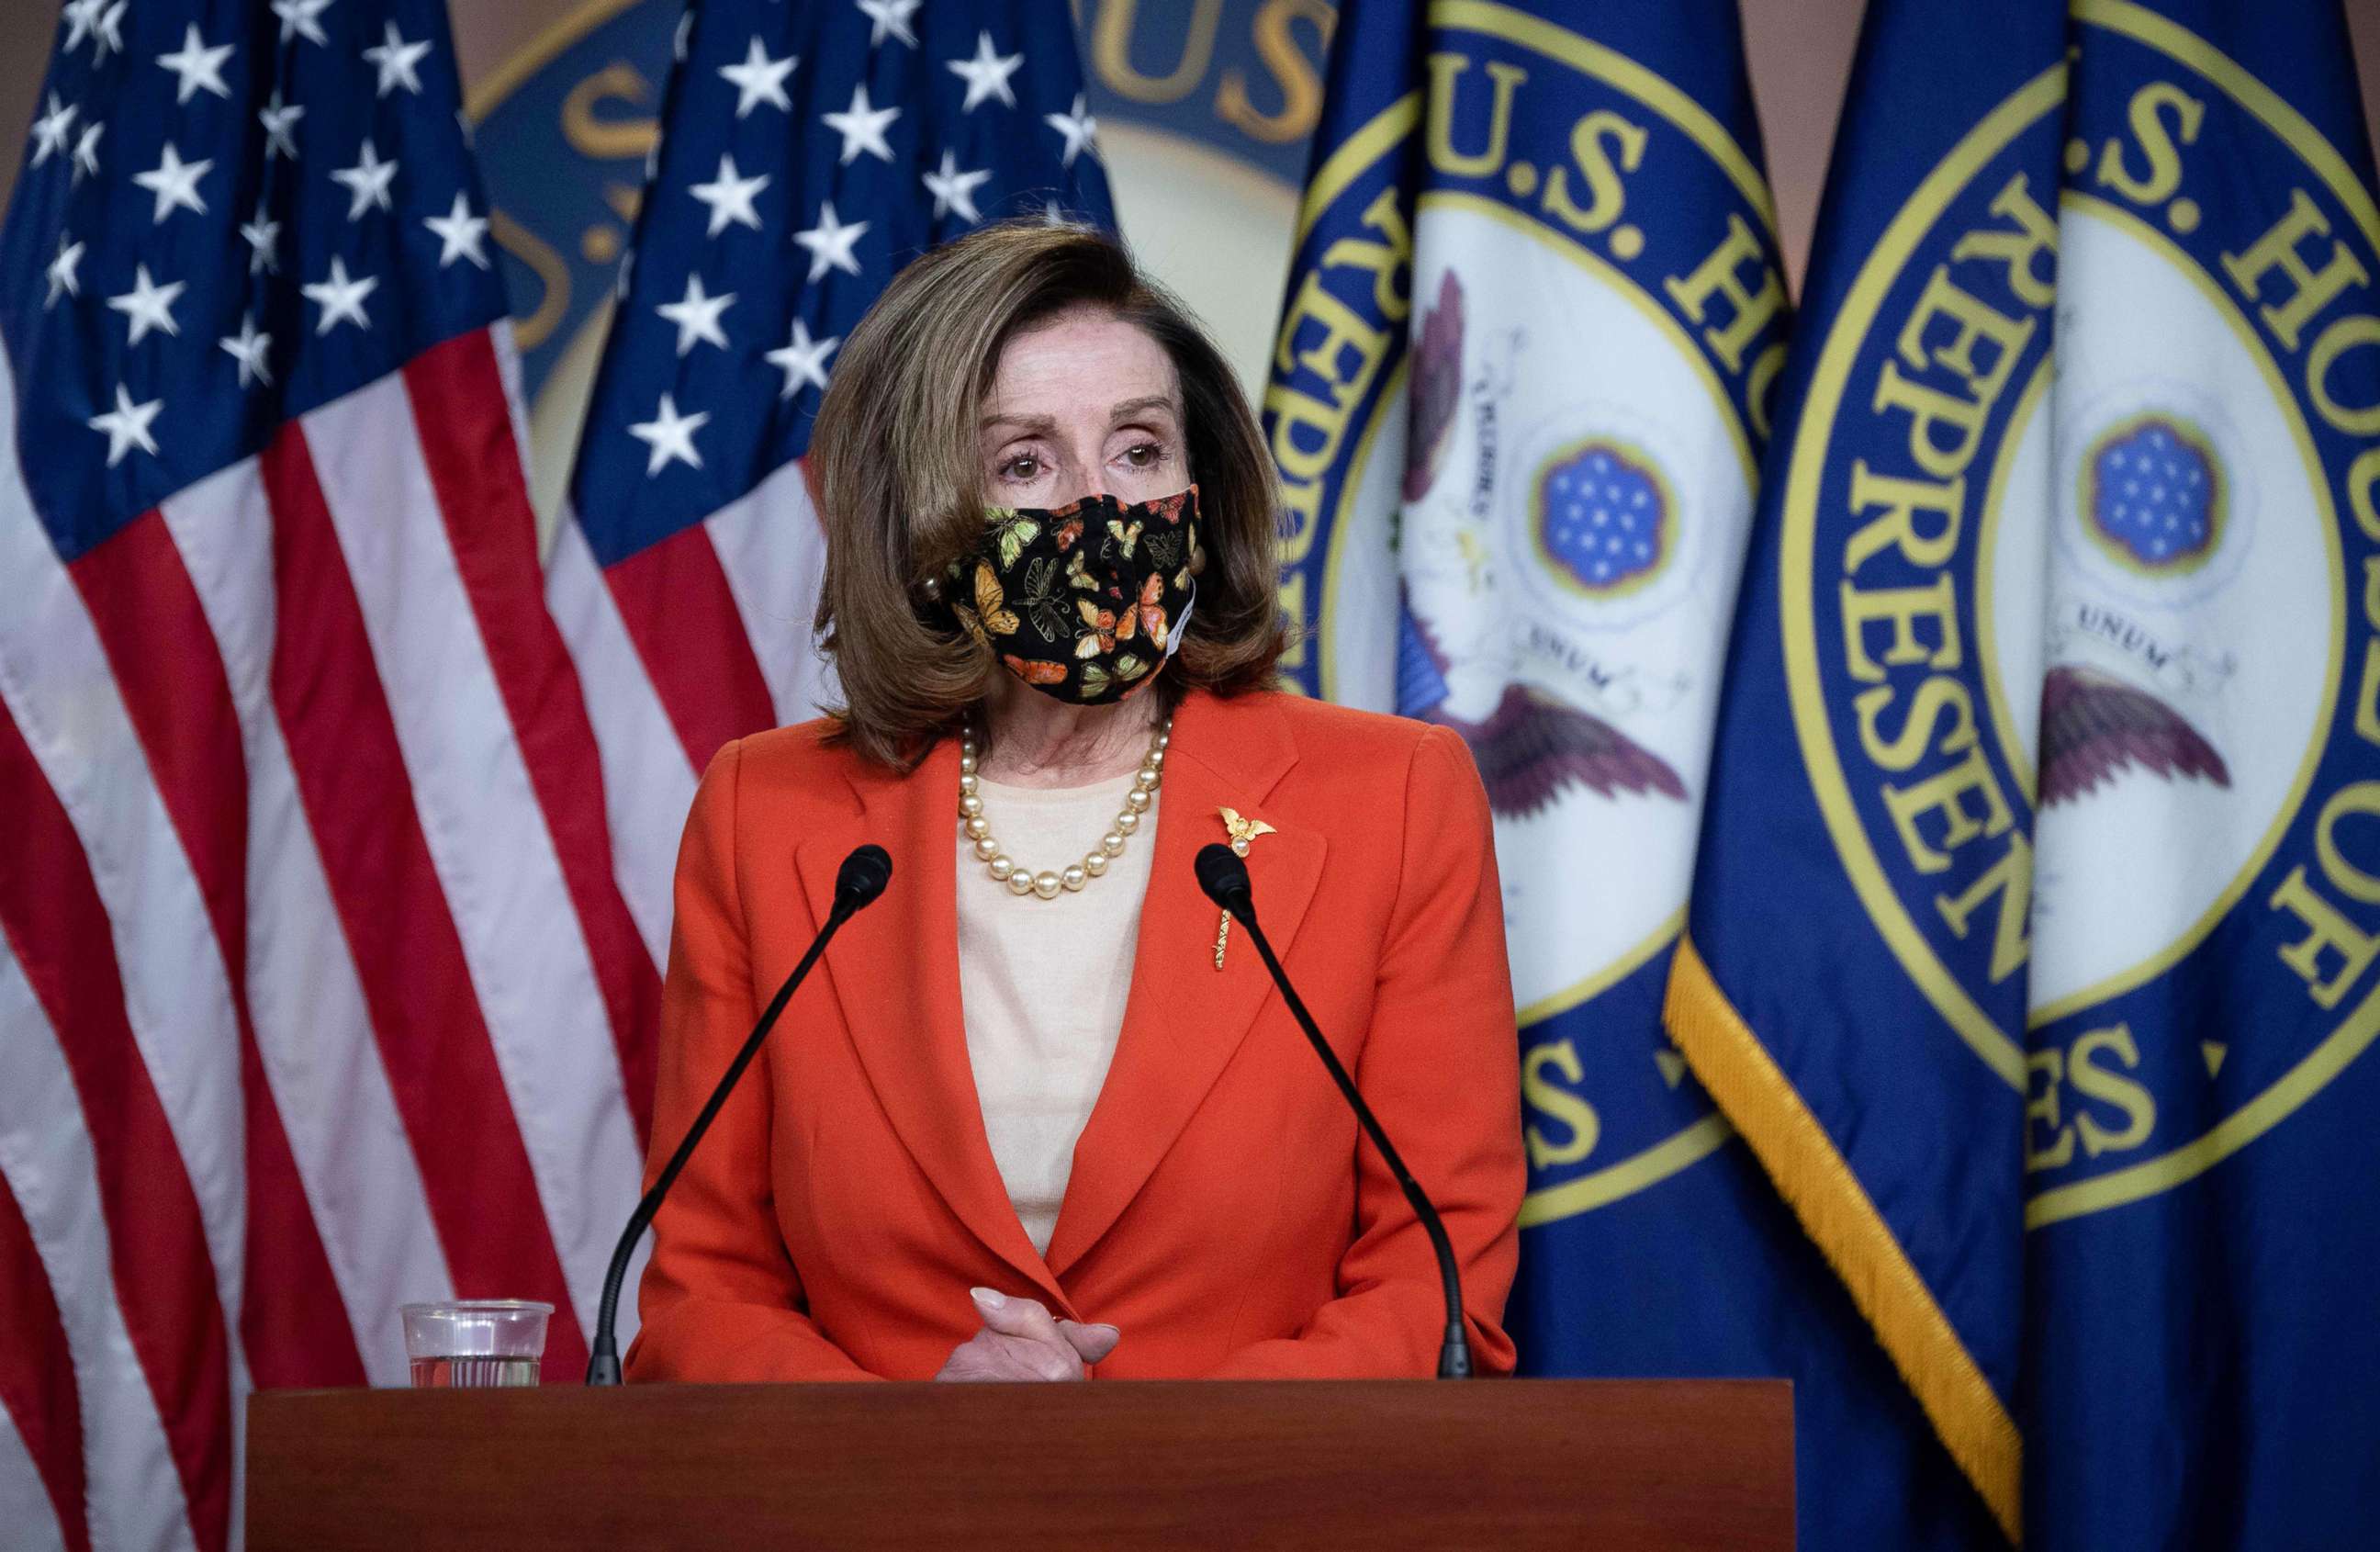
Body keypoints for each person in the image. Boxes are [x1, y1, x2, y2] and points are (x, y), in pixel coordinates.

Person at [625, 220, 1522, 1382]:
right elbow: (703, 1296)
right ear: (928, 521)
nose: (1101, 507)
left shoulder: (1392, 800)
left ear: (1201, 483)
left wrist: (1148, 1468)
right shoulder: (767, 815)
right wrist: (910, 1449)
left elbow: (1437, 1290)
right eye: (1025, 463)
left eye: (1140, 450)